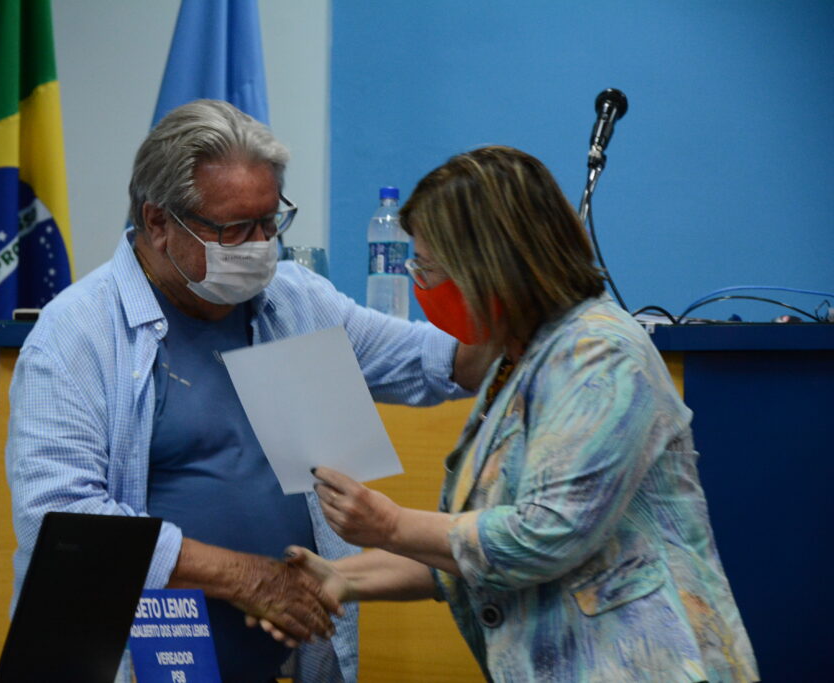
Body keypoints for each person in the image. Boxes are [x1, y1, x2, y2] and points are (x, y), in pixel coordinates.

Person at [6, 99, 491, 683]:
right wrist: (246, 577)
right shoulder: (75, 333)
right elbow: (64, 523)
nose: (262, 245)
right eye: (235, 229)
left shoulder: (294, 300)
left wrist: (527, 313)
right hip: (124, 663)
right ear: (158, 222)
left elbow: (435, 362)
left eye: (270, 220)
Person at [276, 146, 759, 682]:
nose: (420, 284)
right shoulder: (519, 357)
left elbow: (546, 535)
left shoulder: (600, 353)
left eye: (428, 268)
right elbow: (476, 543)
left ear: (490, 267)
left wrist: (390, 524)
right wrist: (342, 578)